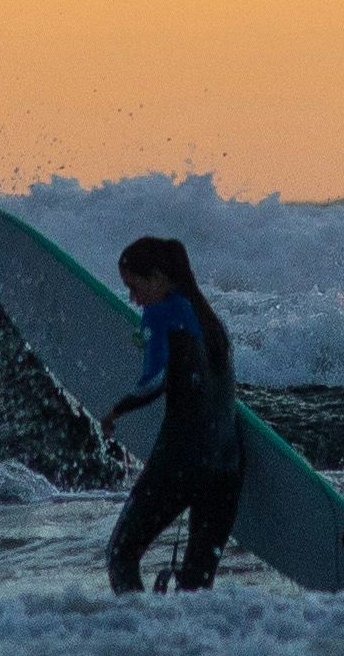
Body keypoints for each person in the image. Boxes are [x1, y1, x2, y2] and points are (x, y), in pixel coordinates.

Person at [102, 234, 245, 592]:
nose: (134, 299)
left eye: (135, 287)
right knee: (197, 585)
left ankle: (137, 639)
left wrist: (115, 410)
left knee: (121, 554)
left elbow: (156, 381)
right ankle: (193, 647)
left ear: (160, 277)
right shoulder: (212, 322)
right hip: (227, 467)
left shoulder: (161, 313)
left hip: (182, 462)